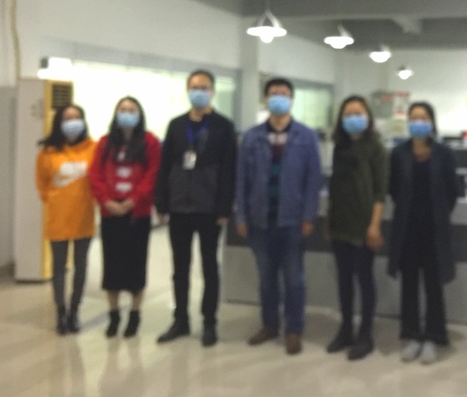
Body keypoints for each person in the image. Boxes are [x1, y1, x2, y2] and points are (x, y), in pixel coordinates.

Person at [235, 77, 322, 356]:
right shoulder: (252, 137)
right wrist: (241, 215)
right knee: (266, 278)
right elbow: (241, 179)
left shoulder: (306, 137)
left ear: (291, 99)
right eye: (273, 93)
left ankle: (294, 329)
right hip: (260, 221)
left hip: (293, 221)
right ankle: (269, 325)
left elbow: (313, 180)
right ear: (265, 99)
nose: (278, 98)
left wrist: (309, 215)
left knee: (294, 279)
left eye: (283, 94)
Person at [154, 70, 237, 347]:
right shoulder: (176, 125)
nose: (198, 92)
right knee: (180, 267)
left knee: (209, 267)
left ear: (212, 91)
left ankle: (209, 322)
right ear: (187, 90)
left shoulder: (223, 126)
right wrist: (161, 202)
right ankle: (181, 320)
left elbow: (229, 170)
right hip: (179, 207)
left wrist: (224, 207)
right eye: (194, 87)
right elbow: (165, 165)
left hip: (209, 208)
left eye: (204, 87)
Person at [387, 101, 457, 365]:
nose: (418, 123)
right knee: (409, 284)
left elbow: (452, 191)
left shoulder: (444, 154)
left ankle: (433, 336)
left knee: (433, 285)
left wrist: (437, 213)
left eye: (423, 118)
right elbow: (394, 189)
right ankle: (412, 334)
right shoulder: (398, 153)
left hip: (434, 229)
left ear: (432, 122)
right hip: (407, 229)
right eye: (414, 118)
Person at [88, 96, 162, 338]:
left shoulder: (150, 142)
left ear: (139, 115)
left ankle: (135, 314)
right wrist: (107, 201)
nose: (127, 113)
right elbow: (95, 175)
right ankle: (113, 315)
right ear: (116, 113)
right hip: (111, 213)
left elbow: (153, 174)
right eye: (122, 109)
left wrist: (134, 200)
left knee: (135, 265)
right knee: (112, 266)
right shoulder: (105, 143)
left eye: (131, 110)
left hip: (137, 214)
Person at [326, 95, 387, 361]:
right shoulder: (339, 146)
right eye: (348, 113)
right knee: (343, 280)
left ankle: (365, 334)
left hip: (364, 225)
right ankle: (345, 329)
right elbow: (335, 185)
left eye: (358, 113)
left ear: (368, 116)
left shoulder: (376, 148)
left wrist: (374, 225)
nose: (353, 118)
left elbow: (380, 192)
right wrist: (329, 220)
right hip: (340, 222)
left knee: (364, 279)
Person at [35, 104, 97, 335]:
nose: (72, 123)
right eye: (67, 118)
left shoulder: (93, 148)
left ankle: (74, 311)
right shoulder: (47, 153)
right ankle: (60, 312)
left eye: (76, 118)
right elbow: (42, 185)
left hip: (84, 217)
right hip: (58, 219)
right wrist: (56, 200)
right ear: (59, 123)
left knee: (81, 267)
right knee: (58, 268)